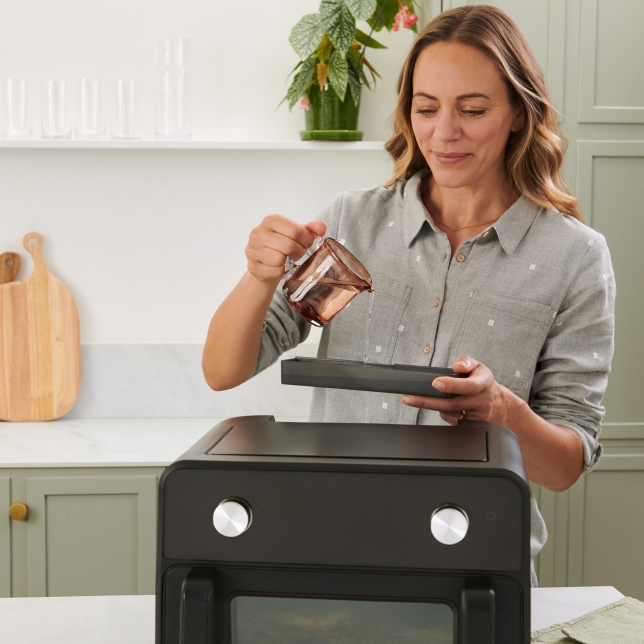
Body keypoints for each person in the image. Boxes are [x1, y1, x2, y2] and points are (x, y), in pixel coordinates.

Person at [202, 5, 615, 587]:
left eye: (473, 109)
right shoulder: (353, 223)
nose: (444, 132)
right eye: (426, 108)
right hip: (331, 545)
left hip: (478, 561)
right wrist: (258, 276)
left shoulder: (574, 256)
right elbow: (223, 370)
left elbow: (567, 464)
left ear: (520, 112)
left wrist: (503, 411)